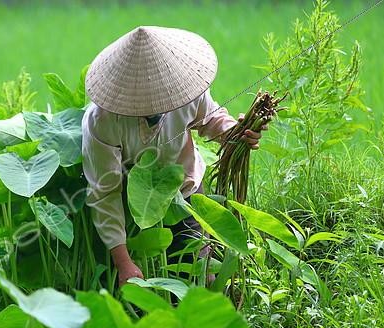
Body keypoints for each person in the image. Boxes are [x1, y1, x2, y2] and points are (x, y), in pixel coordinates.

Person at [81, 26, 263, 286]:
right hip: (131, 199)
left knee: (199, 278)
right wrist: (123, 262)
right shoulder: (103, 121)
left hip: (183, 188)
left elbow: (211, 118)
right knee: (133, 287)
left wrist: (237, 134)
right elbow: (104, 191)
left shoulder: (184, 91)